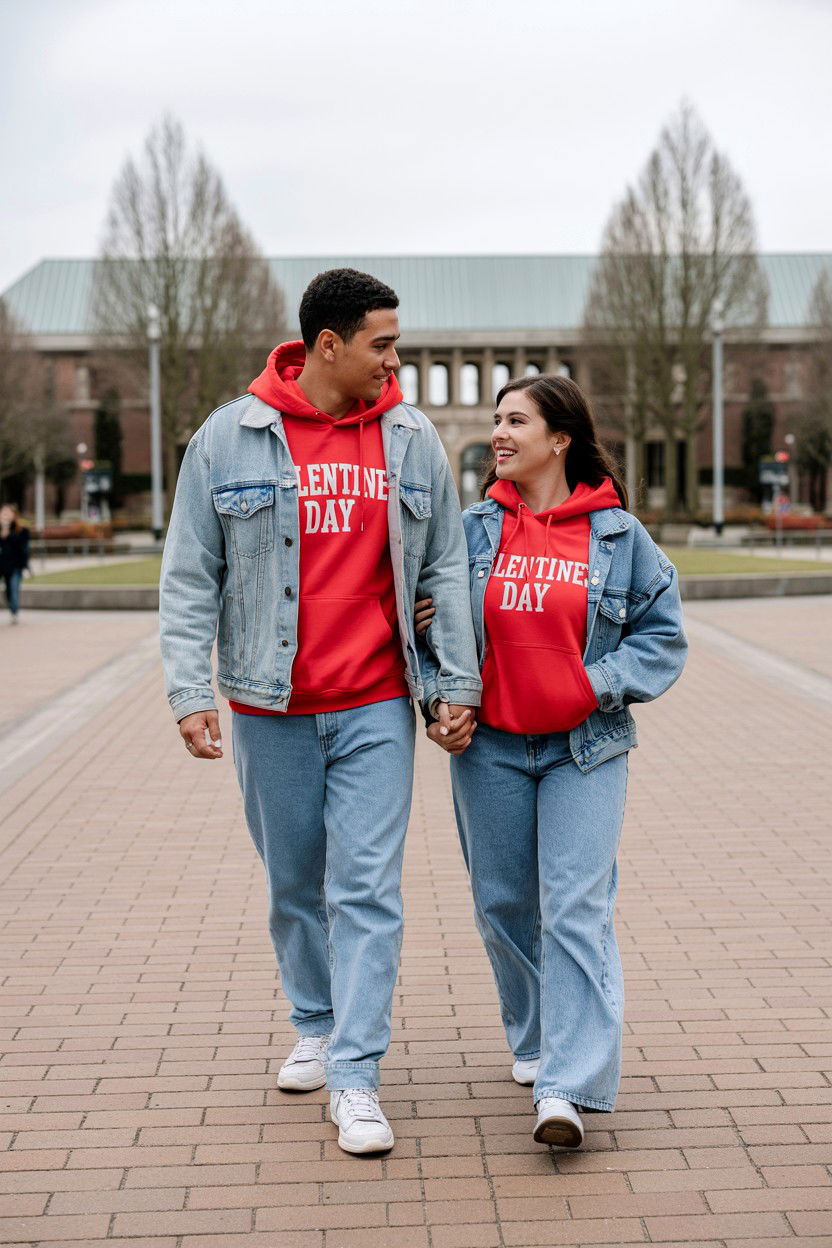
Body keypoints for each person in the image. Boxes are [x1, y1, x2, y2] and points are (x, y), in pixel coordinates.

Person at [159, 268, 481, 1154]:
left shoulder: (411, 437)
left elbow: (446, 566)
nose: (395, 361)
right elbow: (189, 575)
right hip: (271, 705)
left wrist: (456, 681)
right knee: (294, 883)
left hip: (376, 702)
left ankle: (357, 1075)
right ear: (327, 346)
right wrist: (189, 691)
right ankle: (315, 1019)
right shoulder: (229, 437)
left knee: (366, 888)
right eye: (383, 344)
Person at [416, 373, 686, 1149]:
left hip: (584, 749)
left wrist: (591, 685)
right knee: (503, 905)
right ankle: (537, 1037)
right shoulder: (469, 532)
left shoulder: (618, 537)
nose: (499, 434)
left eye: (516, 422)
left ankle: (569, 1086)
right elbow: (421, 634)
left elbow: (663, 636)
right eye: (497, 420)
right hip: (490, 749)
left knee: (574, 908)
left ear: (560, 439)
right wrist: (439, 697)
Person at [0, 504, 30, 624]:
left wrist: (7, 532)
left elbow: (23, 548)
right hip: (2, 566)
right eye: (3, 513)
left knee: (14, 589)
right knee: (8, 591)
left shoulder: (21, 530)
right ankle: (12, 608)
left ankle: (14, 612)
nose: (5, 516)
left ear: (14, 515)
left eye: (8, 513)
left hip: (15, 566)